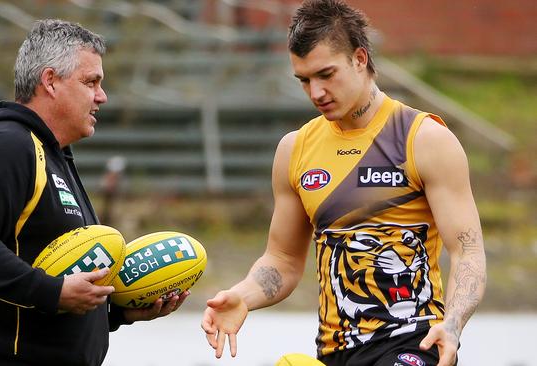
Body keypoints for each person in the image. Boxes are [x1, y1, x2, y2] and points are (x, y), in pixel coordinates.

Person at [201, 1, 486, 365]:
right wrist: (243, 295)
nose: (316, 92)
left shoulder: (424, 139)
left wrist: (454, 325)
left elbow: (468, 253)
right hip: (334, 352)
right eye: (304, 80)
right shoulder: (295, 149)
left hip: (415, 344)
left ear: (360, 59)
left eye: (326, 74)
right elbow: (283, 259)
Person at [0, 19, 187, 366]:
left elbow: (55, 277)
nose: (102, 96)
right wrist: (52, 292)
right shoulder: (7, 146)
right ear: (50, 81)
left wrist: (118, 311)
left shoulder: (52, 153)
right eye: (91, 82)